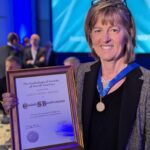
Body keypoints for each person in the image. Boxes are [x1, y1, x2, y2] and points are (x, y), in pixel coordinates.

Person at [2, 0, 150, 149]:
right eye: (98, 30)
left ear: (129, 32)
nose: (105, 38)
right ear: (90, 36)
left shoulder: (147, 84)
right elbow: (51, 117)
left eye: (114, 29)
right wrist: (18, 107)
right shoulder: (78, 74)